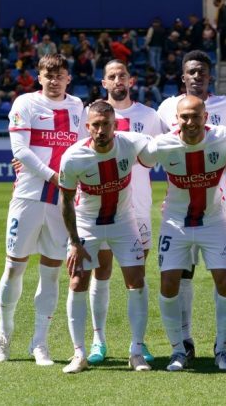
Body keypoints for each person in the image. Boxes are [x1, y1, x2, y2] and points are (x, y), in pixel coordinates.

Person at [0, 54, 83, 366]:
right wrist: (55, 177)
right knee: (14, 268)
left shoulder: (77, 107)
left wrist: (75, 183)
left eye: (60, 75)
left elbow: (82, 150)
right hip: (30, 196)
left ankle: (40, 342)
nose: (55, 80)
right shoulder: (25, 104)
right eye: (49, 75)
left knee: (52, 273)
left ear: (68, 78)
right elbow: (20, 151)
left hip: (62, 203)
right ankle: (4, 333)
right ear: (39, 77)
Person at [156, 50, 226, 361]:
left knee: (223, 276)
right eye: (191, 72)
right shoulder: (166, 107)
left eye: (202, 72)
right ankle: (182, 344)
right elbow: (149, 148)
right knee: (179, 276)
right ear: (183, 76)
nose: (196, 77)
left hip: (216, 204)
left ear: (210, 77)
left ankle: (223, 347)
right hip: (178, 210)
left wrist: (219, 169)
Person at [59, 100, 155, 374]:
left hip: (124, 223)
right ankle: (79, 354)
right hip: (87, 224)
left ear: (116, 125)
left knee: (136, 281)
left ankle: (136, 351)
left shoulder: (131, 143)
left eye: (106, 124)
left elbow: (162, 145)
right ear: (88, 126)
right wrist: (75, 242)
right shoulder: (74, 157)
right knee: (78, 282)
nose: (101, 130)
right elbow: (65, 200)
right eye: (96, 125)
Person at [77, 60, 162, 365]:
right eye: (111, 76)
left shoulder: (149, 116)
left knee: (135, 277)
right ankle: (99, 341)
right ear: (104, 82)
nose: (117, 80)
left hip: (137, 207)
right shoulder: (90, 116)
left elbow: (164, 151)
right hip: (100, 210)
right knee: (101, 272)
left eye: (122, 75)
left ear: (131, 79)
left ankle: (137, 343)